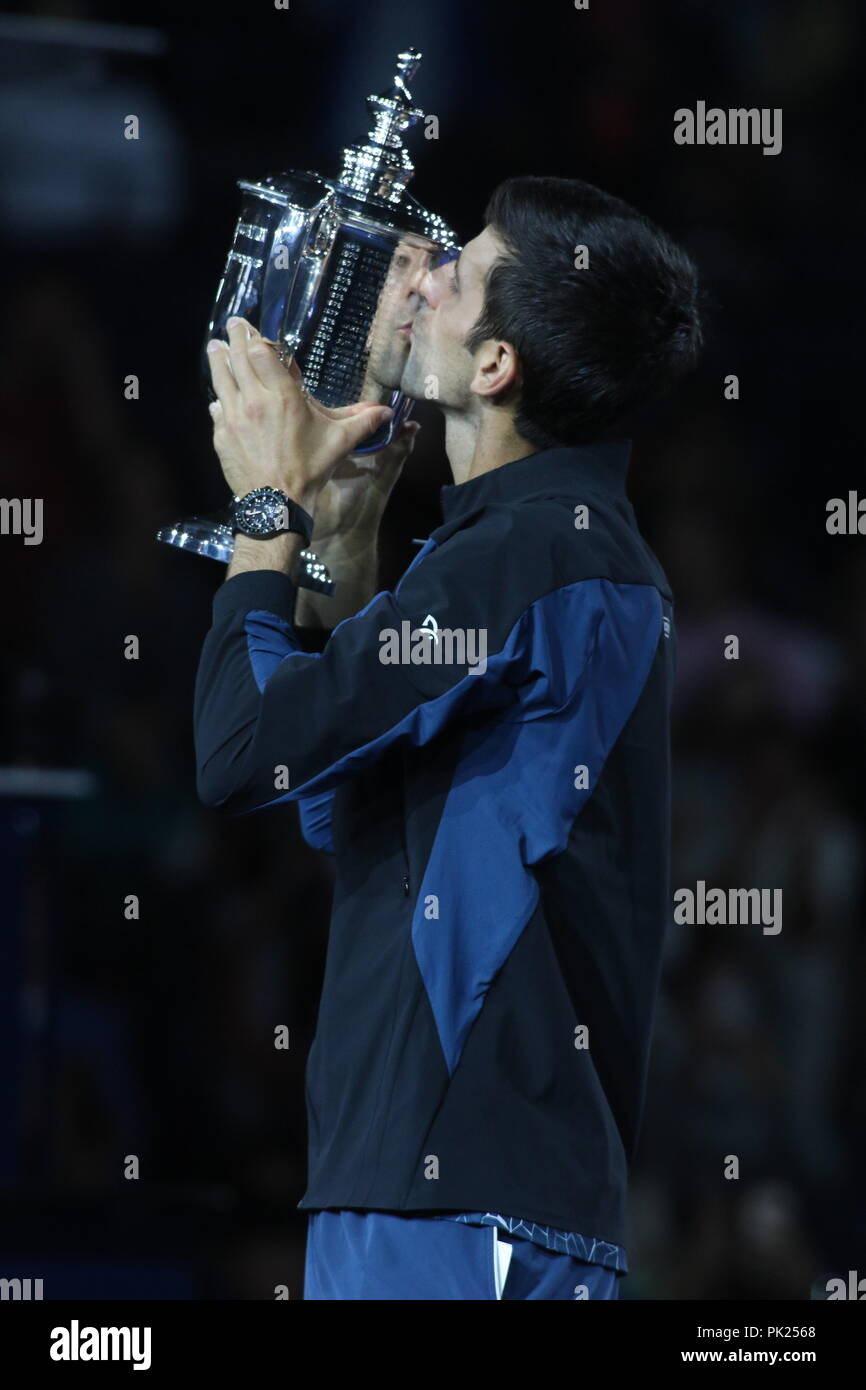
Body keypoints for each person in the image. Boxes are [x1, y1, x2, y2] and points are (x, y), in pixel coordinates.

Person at [194, 175, 703, 1300]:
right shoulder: (551, 549)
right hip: (477, 1194)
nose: (416, 275)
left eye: (455, 268)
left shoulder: (520, 561)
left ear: (494, 367)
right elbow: (334, 796)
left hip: (452, 1200)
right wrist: (346, 547)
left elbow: (240, 753)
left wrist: (265, 508)